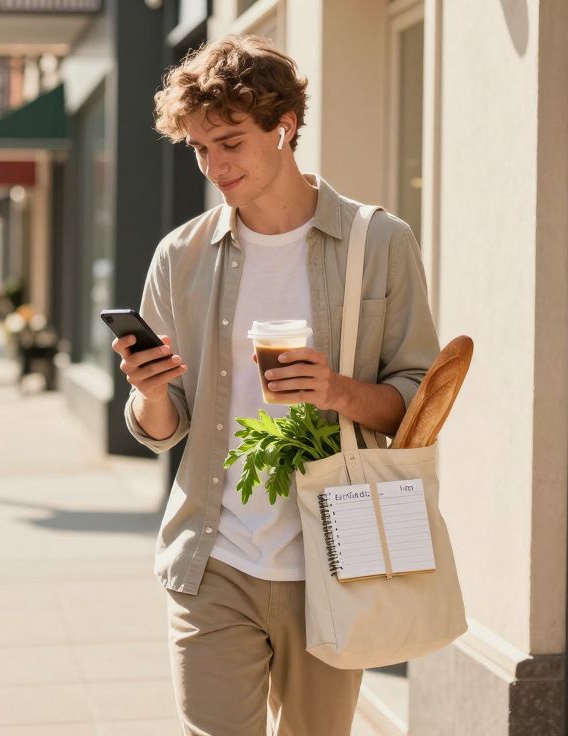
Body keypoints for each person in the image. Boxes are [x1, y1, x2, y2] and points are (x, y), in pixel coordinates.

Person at [112, 35, 439, 734]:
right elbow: (165, 427)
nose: (214, 164)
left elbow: (419, 399)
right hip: (213, 558)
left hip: (334, 561)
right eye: (200, 148)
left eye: (229, 141)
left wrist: (338, 392)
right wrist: (147, 390)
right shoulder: (182, 254)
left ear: (284, 126)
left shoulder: (379, 244)